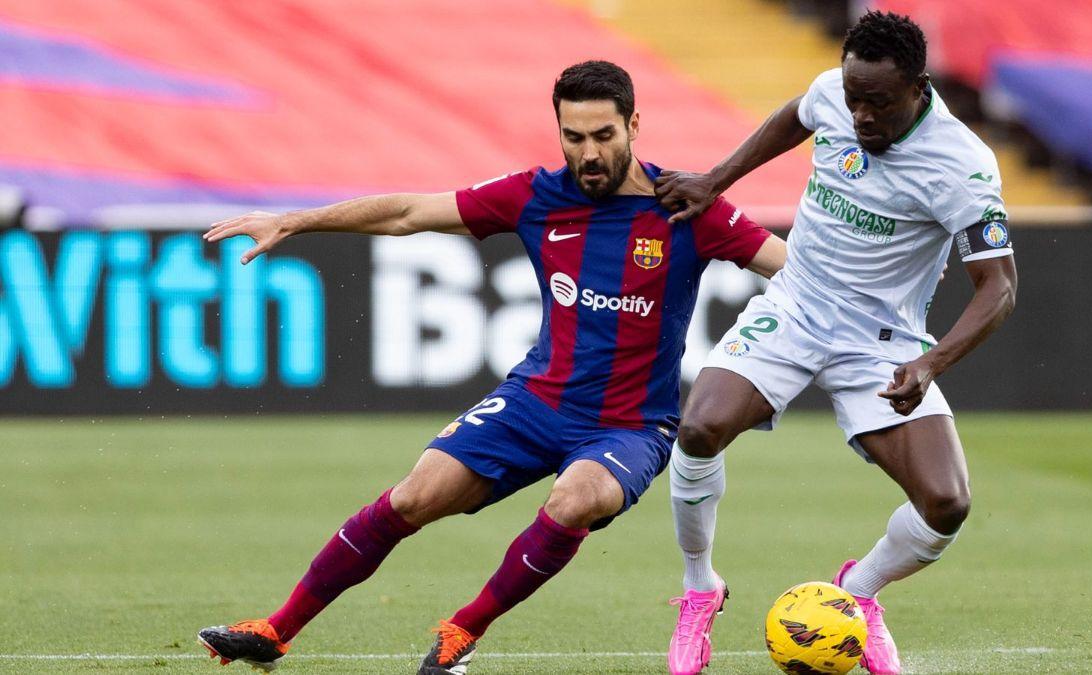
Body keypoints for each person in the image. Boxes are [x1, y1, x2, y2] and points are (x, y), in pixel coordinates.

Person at [195, 60, 786, 674]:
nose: (588, 154)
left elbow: (794, 269)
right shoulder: (537, 195)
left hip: (631, 426)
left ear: (634, 125)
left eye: (604, 136)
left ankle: (461, 632)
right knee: (414, 496)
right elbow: (407, 214)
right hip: (536, 400)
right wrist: (294, 220)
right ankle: (276, 629)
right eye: (573, 137)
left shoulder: (690, 209)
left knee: (575, 498)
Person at [654, 11, 1018, 675]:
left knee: (947, 503)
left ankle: (859, 592)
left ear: (918, 88)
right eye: (853, 99)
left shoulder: (962, 166)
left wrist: (929, 362)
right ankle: (699, 587)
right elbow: (795, 115)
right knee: (700, 427)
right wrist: (715, 179)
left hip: (883, 341)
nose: (859, 117)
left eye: (877, 104)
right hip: (796, 305)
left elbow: (998, 287)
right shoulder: (837, 91)